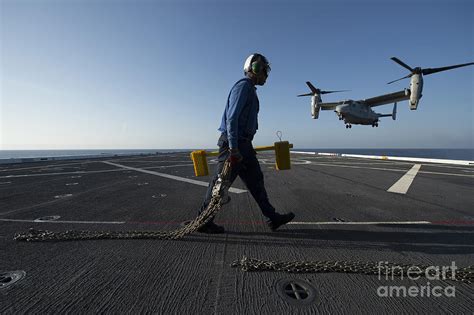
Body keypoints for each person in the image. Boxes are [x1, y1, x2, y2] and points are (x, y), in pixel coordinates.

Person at [197, 53, 295, 234]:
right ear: (256, 68)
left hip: (244, 145)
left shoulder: (250, 89)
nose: (267, 75)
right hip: (233, 145)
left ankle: (272, 218)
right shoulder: (243, 87)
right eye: (265, 70)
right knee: (220, 183)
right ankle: (203, 221)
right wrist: (233, 148)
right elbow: (232, 118)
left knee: (256, 181)